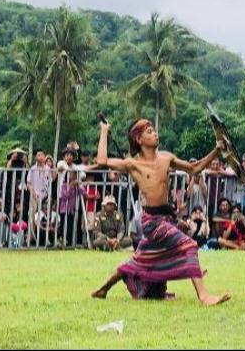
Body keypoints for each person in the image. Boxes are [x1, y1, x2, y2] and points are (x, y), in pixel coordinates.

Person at [92, 118, 230, 305]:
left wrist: (216, 151)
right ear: (139, 140)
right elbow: (102, 161)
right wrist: (104, 131)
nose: (155, 133)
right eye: (149, 131)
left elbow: (194, 168)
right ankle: (204, 296)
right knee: (189, 245)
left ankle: (103, 289)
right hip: (151, 222)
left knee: (139, 260)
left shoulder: (167, 158)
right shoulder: (133, 164)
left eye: (154, 130)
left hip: (165, 218)